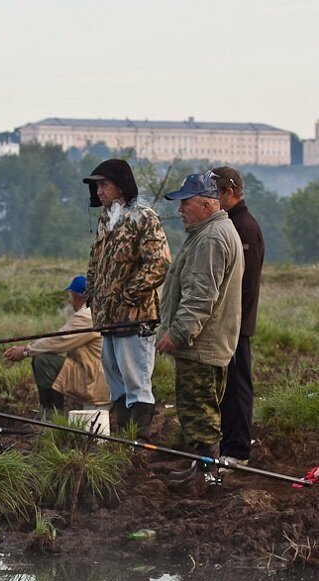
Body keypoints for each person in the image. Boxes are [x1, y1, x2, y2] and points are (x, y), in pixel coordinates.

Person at [156, 172, 244, 492]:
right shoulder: (210, 231)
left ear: (207, 205)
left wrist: (177, 334)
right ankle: (201, 470)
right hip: (205, 344)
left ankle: (208, 479)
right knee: (201, 413)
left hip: (200, 346)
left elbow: (200, 297)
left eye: (186, 202)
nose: (180, 209)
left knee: (201, 415)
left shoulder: (211, 238)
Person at [82, 159, 171, 439]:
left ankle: (138, 443)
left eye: (104, 184)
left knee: (136, 384)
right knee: (115, 383)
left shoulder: (143, 217)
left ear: (120, 186)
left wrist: (128, 295)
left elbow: (159, 262)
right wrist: (93, 293)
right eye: (97, 186)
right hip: (107, 319)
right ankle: (123, 438)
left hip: (136, 319)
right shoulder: (106, 219)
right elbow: (96, 262)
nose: (99, 191)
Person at [212, 166, 265, 469]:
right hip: (230, 323)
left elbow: (246, 284)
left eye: (213, 194)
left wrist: (232, 323)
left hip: (237, 325)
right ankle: (229, 443)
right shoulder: (233, 223)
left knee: (237, 386)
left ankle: (238, 449)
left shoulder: (243, 227)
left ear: (228, 193)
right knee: (228, 386)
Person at [3, 275, 110, 416]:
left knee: (43, 361)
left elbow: (59, 340)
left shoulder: (87, 315)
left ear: (79, 296)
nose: (69, 300)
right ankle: (47, 413)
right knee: (45, 357)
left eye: (70, 295)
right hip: (100, 376)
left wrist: (25, 350)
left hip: (96, 380)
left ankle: (52, 415)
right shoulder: (96, 312)